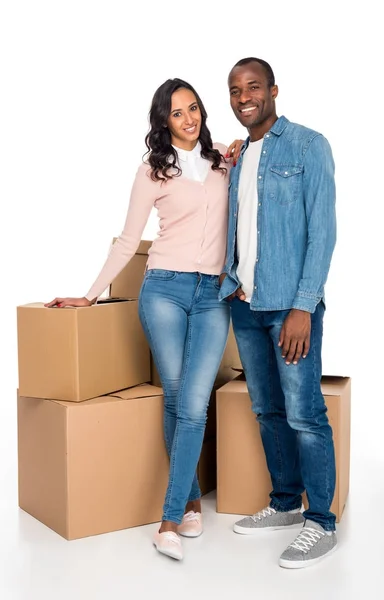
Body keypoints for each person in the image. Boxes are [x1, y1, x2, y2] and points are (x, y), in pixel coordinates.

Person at [46, 78, 242, 561]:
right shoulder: (152, 170)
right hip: (164, 291)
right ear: (163, 121)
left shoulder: (223, 158)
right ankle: (187, 503)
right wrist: (90, 296)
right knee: (177, 397)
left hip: (214, 293)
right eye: (177, 113)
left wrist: (240, 147)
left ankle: (169, 519)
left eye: (193, 108)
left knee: (193, 405)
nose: (189, 119)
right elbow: (128, 240)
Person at [219, 57, 337, 569]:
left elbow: (322, 232)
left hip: (289, 309)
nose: (244, 96)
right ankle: (287, 503)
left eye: (253, 87)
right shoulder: (240, 155)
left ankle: (322, 523)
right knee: (267, 412)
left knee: (305, 415)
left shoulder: (309, 146)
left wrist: (303, 307)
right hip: (245, 305)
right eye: (235, 89)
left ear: (273, 90)